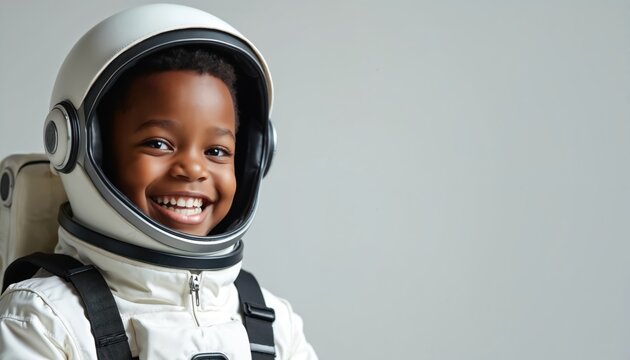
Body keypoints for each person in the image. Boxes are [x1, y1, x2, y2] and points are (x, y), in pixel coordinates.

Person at [0, 4, 317, 359]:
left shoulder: (272, 325)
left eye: (216, 150)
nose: (193, 169)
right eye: (158, 144)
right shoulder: (47, 322)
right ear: (83, 146)